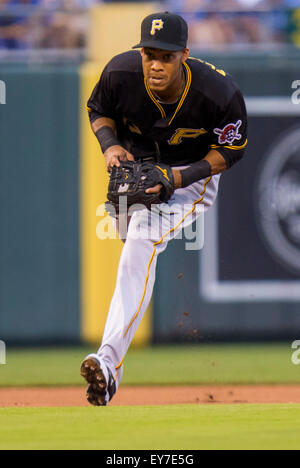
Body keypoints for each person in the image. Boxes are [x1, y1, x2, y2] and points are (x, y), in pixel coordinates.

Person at [80, 11, 247, 406]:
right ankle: (111, 372)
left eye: (166, 56)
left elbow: (231, 150)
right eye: (149, 54)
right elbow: (98, 108)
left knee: (140, 240)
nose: (155, 64)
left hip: (191, 180)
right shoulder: (120, 73)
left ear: (184, 55)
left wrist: (178, 178)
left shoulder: (218, 93)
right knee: (132, 243)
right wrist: (110, 146)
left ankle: (107, 360)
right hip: (137, 168)